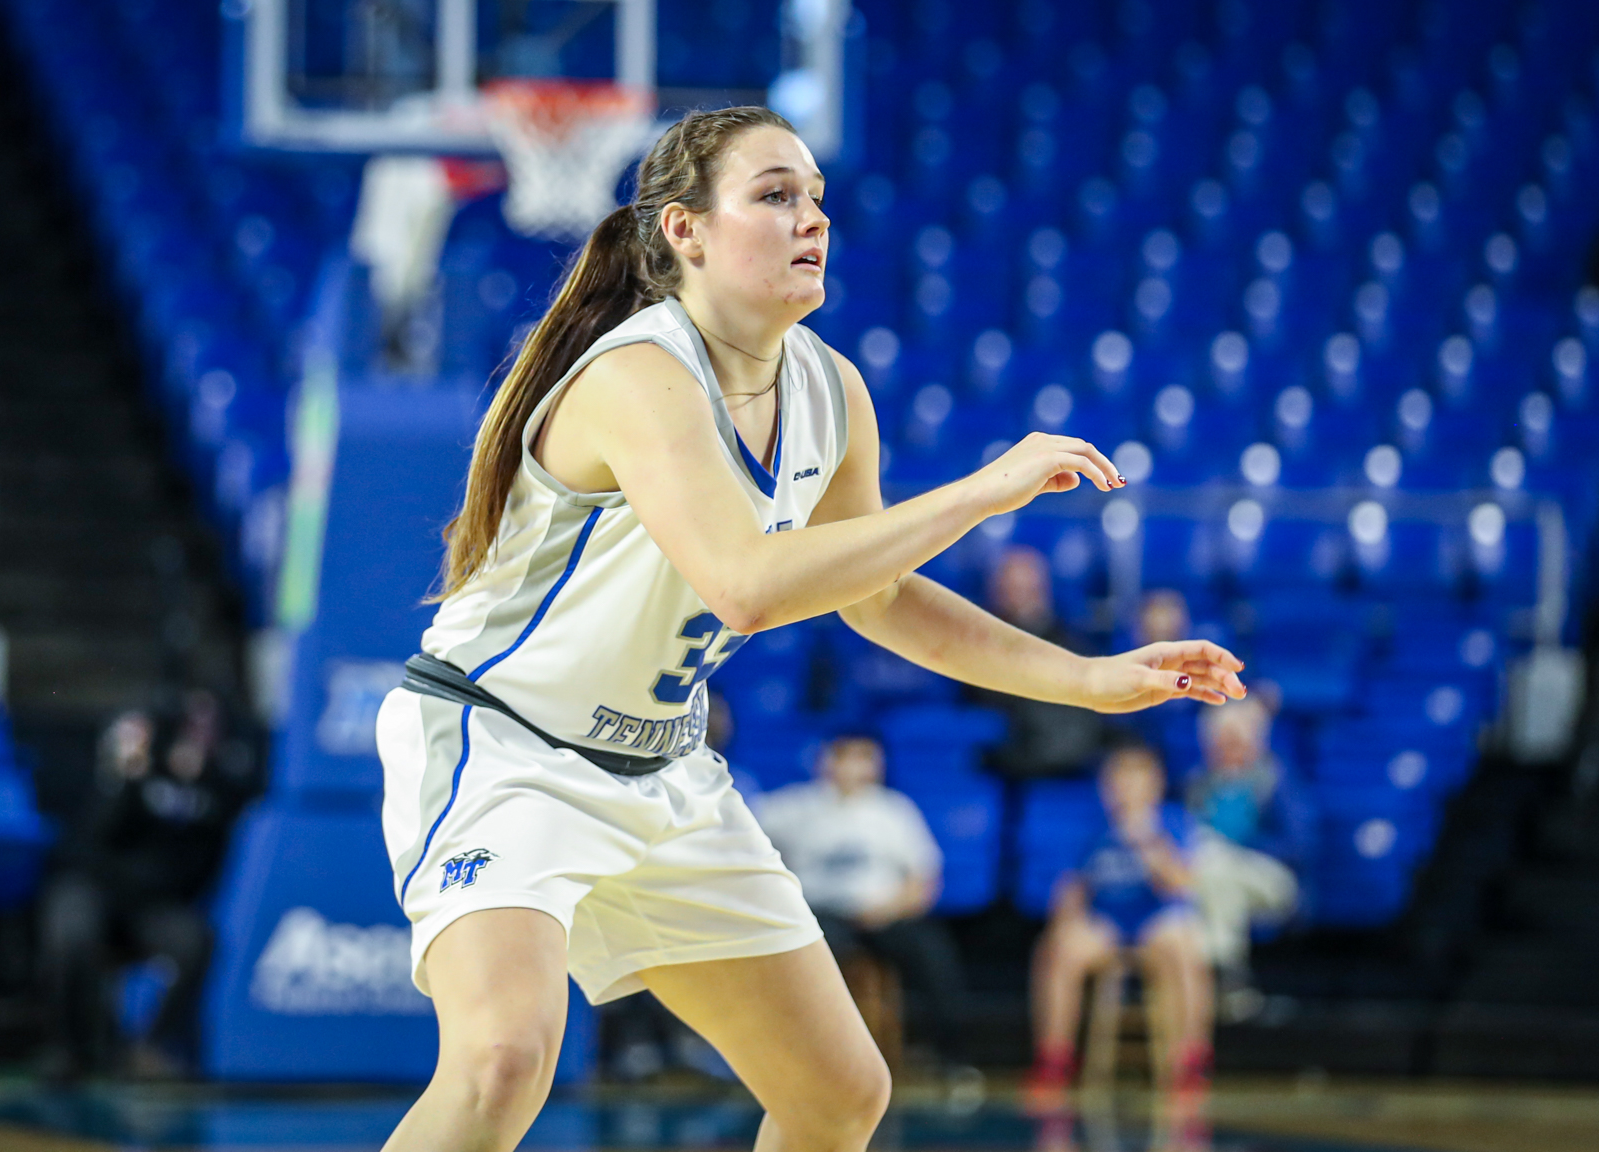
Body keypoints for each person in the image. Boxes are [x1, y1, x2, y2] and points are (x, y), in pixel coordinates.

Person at [374, 105, 1245, 1151]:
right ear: (685, 232)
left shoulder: (830, 390)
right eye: (776, 195)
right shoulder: (637, 375)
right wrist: (976, 492)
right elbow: (744, 584)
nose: (812, 220)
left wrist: (1089, 678)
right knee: (501, 1063)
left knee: (837, 1094)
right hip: (502, 747)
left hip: (658, 770)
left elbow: (875, 596)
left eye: (818, 199)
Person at [40, 689, 259, 1078]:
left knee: (196, 942)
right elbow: (90, 840)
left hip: (150, 907)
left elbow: (204, 857)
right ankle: (71, 1050)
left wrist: (200, 783)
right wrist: (129, 777)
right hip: (97, 891)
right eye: (191, 727)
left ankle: (148, 1047)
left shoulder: (220, 786)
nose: (198, 736)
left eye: (208, 728)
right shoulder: (132, 770)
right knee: (71, 928)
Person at [752, 733, 974, 1076]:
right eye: (846, 757)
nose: (856, 767)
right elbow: (742, 842)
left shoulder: (895, 810)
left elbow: (924, 881)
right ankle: (812, 1057)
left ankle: (951, 1059)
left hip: (885, 915)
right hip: (821, 916)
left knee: (933, 952)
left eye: (866, 757)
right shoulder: (792, 806)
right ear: (826, 761)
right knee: (810, 955)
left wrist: (889, 910)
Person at [1027, 745, 1212, 1106]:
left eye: (1133, 779)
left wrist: (1145, 839)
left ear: (1154, 785)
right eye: (1116, 780)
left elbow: (1179, 884)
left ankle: (1190, 1060)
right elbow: (1072, 891)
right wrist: (1067, 915)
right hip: (1107, 920)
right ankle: (1054, 1058)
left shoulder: (1174, 821)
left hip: (1157, 919)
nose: (1123, 788)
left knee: (1186, 947)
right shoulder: (1093, 828)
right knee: (1058, 948)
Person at [1183, 697, 1311, 1018]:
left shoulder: (1277, 781)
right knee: (1213, 872)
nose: (1229, 751)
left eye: (1237, 741)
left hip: (1274, 881)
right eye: (1221, 743)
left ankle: (1221, 977)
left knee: (1216, 867)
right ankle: (1222, 983)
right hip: (1209, 880)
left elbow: (1300, 845)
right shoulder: (1198, 784)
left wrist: (1238, 848)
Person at [970, 546, 1106, 780]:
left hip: (1070, 761)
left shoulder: (1071, 643)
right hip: (1014, 754)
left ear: (1044, 591)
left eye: (1028, 591)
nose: (1019, 599)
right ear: (996, 593)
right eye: (1011, 590)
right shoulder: (974, 645)